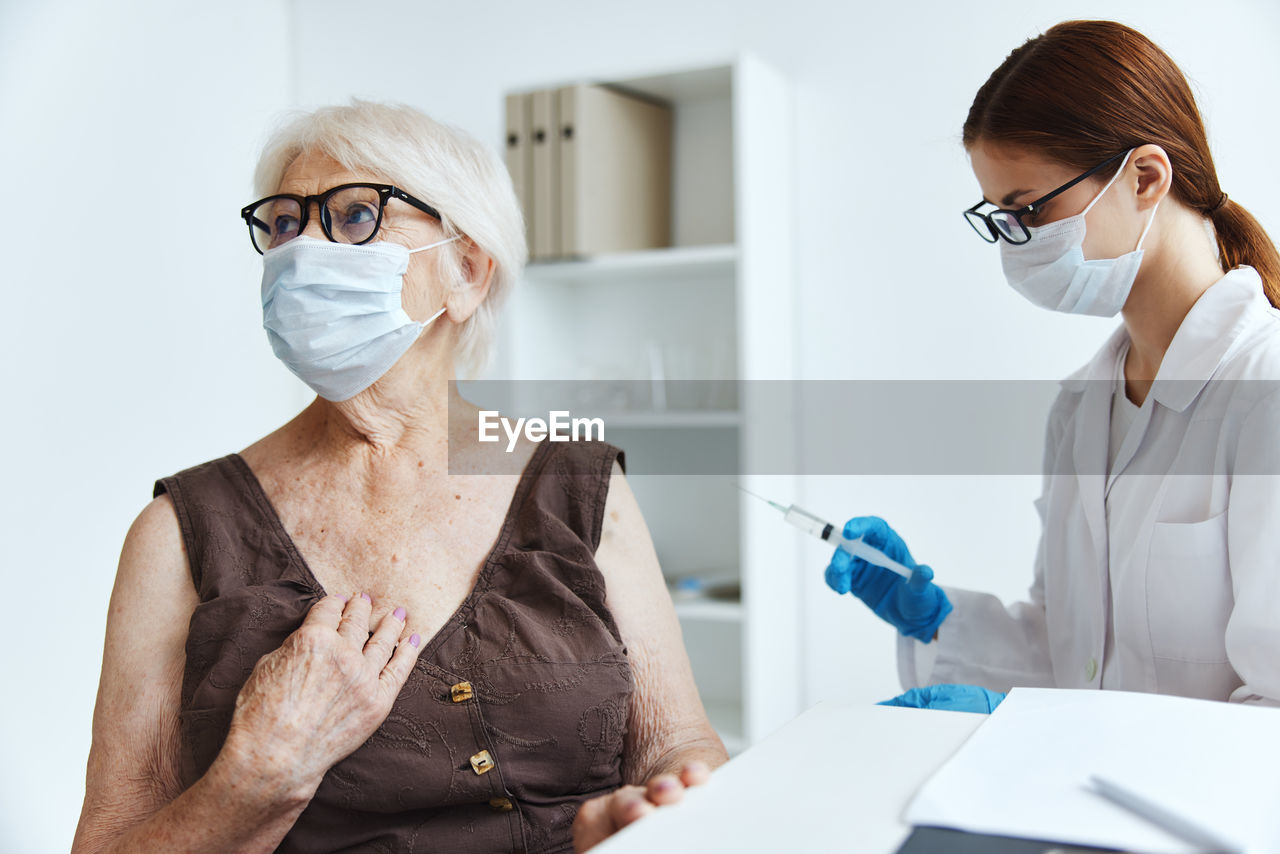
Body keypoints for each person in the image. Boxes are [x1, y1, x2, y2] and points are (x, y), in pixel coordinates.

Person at [72, 101, 726, 854]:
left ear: (468, 272)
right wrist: (258, 774)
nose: (303, 251)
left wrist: (669, 808)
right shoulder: (178, 535)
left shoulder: (581, 485)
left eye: (355, 216)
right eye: (284, 223)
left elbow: (676, 742)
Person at [827, 20, 1280, 711]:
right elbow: (1077, 655)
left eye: (1028, 210)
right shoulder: (1082, 406)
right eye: (1000, 218)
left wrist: (1052, 742)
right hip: (1074, 808)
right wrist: (937, 619)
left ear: (1146, 177)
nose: (1017, 244)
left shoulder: (1262, 390)